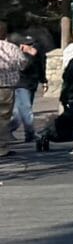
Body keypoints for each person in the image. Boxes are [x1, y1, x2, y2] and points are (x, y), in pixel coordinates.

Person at [0, 31, 24, 162]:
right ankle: (1, 148)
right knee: (3, 118)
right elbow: (22, 63)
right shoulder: (11, 48)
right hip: (6, 87)